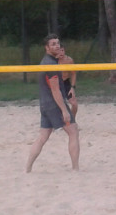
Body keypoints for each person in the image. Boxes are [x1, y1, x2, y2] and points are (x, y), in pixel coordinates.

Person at [26, 34, 79, 172]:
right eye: (53, 44)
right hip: (53, 104)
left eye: (58, 43)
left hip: (45, 104)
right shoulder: (50, 64)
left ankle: (28, 168)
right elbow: (55, 90)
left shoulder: (48, 62)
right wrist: (64, 110)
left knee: (43, 137)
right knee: (73, 131)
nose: (57, 46)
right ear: (47, 47)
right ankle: (75, 168)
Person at [58, 43, 79, 119]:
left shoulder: (69, 60)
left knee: (74, 104)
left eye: (62, 50)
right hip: (56, 84)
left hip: (66, 82)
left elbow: (73, 74)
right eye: (59, 51)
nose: (61, 53)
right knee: (58, 105)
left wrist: (72, 87)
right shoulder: (53, 61)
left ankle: (72, 120)